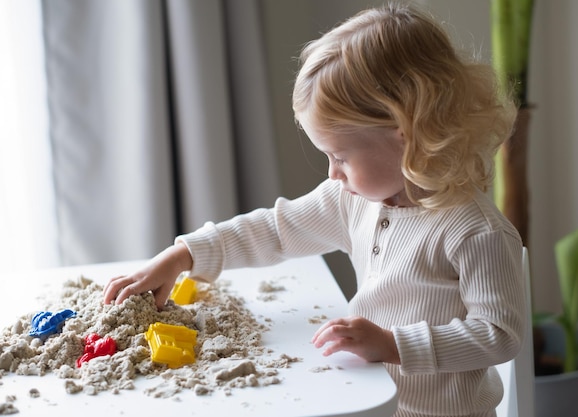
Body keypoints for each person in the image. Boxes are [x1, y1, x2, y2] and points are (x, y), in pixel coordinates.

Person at [104, 3, 526, 417]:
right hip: (367, 397)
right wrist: (183, 255)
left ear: (407, 135)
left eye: (340, 156)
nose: (332, 172)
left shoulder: (476, 232)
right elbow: (274, 229)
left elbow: (499, 334)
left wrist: (393, 344)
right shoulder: (352, 200)